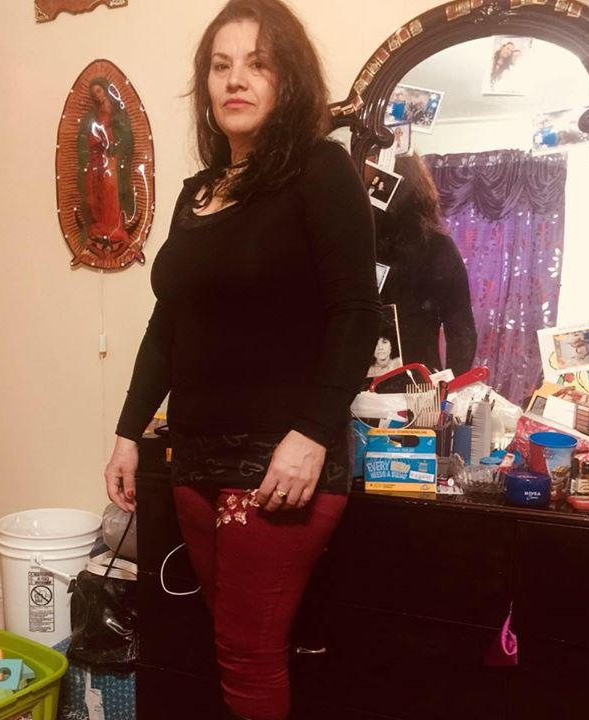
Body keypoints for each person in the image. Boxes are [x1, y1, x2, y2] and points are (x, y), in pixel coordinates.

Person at [104, 1, 381, 718]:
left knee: (247, 654)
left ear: (288, 79)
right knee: (229, 641)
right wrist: (129, 431)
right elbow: (169, 322)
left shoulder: (320, 169)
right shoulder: (196, 194)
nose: (236, 80)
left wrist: (312, 434)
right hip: (195, 458)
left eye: (258, 64)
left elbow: (357, 311)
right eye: (221, 66)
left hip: (278, 461)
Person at [374, 153, 477, 377]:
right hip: (417, 381)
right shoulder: (438, 245)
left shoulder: (436, 246)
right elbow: (462, 332)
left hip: (401, 382)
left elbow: (461, 332)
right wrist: (448, 387)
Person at [77, 77, 135, 257]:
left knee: (111, 190)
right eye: (94, 93)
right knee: (94, 193)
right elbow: (83, 137)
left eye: (99, 91)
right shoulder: (91, 116)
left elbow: (127, 136)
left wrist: (115, 146)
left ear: (105, 90)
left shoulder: (118, 112)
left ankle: (114, 229)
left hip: (112, 157)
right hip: (96, 159)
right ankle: (98, 228)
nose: (97, 95)